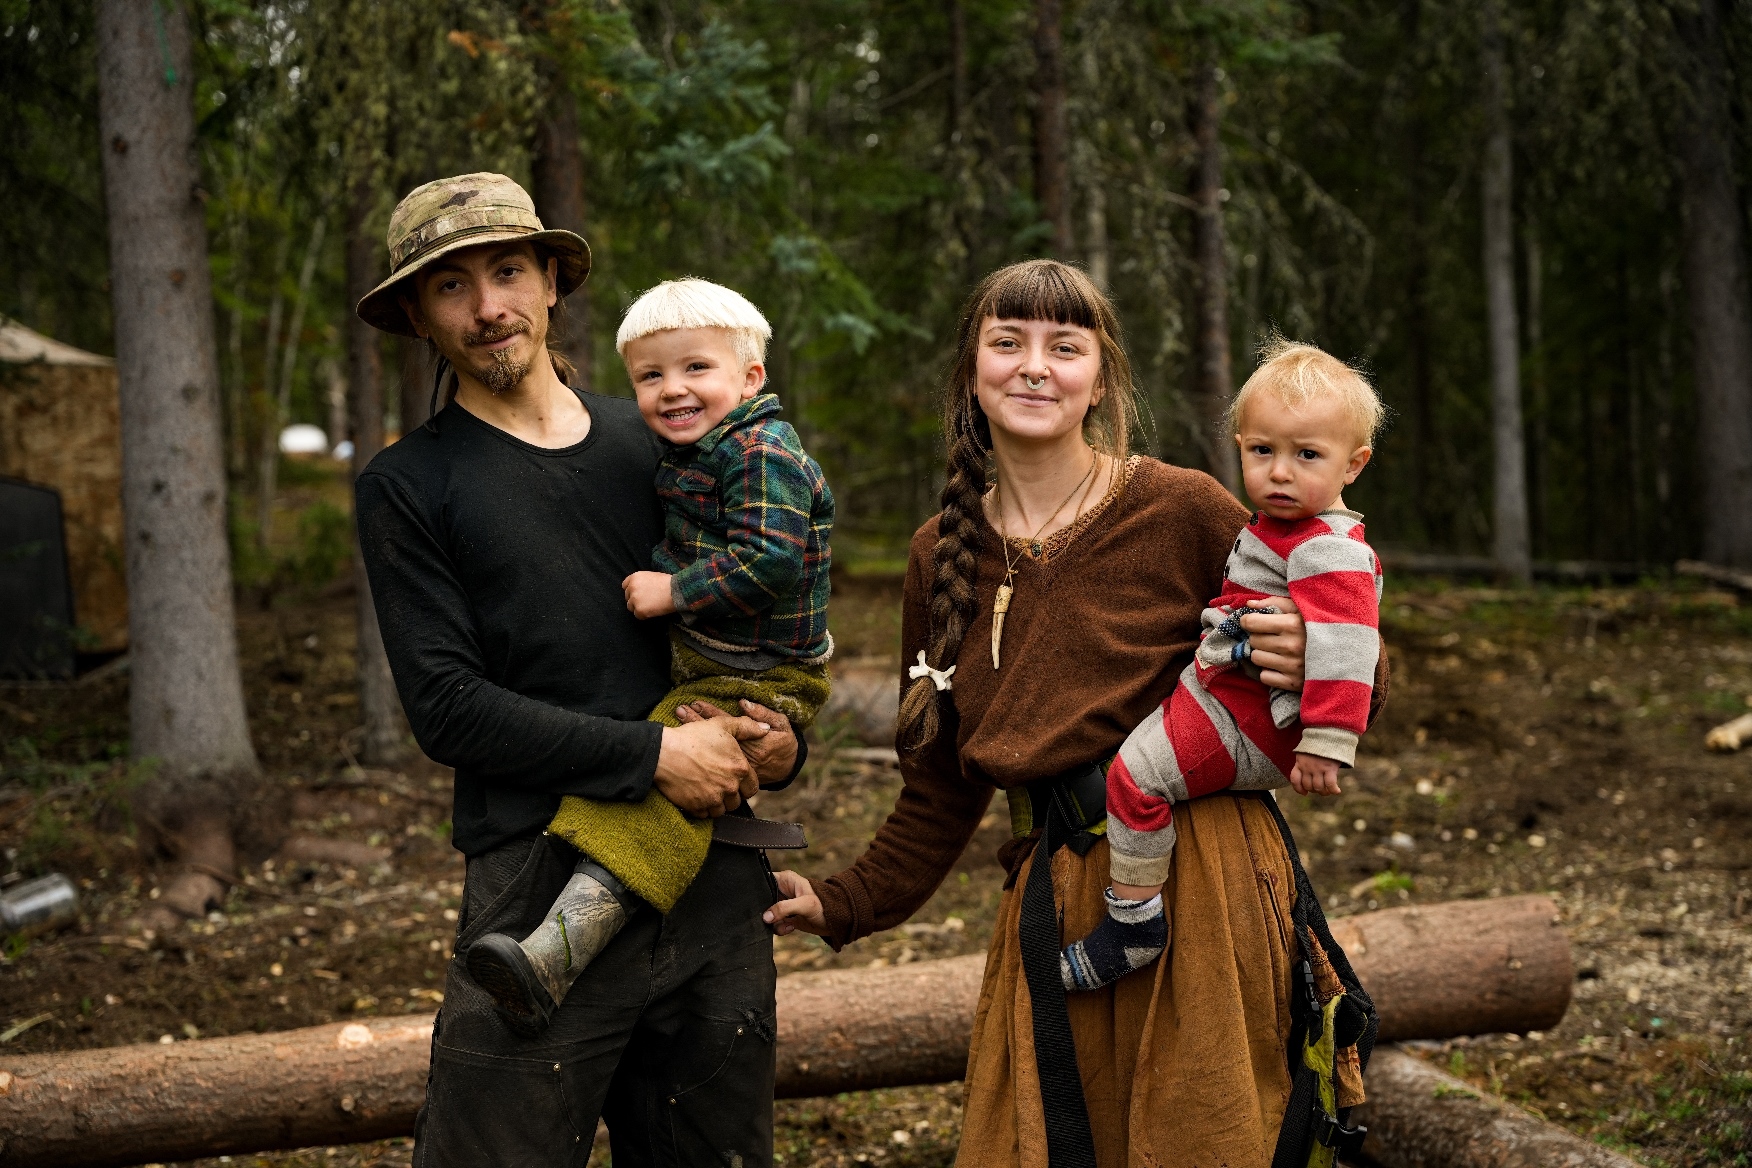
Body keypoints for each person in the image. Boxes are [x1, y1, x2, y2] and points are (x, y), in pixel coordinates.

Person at [764, 259, 1386, 1167]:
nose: (1034, 367)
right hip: (1051, 896)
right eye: (1006, 342)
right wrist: (844, 900)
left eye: (1065, 347)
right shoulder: (940, 551)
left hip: (1201, 881)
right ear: (972, 372)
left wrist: (1303, 655)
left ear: (1100, 378)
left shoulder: (1183, 509)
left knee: (1200, 1141)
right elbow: (938, 788)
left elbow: (1348, 630)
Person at [353, 172, 803, 1167]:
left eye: (508, 270)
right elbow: (448, 709)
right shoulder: (409, 485)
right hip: (534, 882)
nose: (487, 308)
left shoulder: (667, 440)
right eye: (450, 287)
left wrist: (780, 732)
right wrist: (651, 757)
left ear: (552, 279)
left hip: (715, 876)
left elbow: (761, 610)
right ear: (418, 317)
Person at [466, 277, 834, 1035]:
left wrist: (676, 591)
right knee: (664, 768)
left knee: (657, 793)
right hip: (721, 660)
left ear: (751, 376)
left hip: (755, 669)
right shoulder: (697, 448)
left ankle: (559, 949)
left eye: (697, 368)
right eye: (651, 376)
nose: (673, 390)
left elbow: (771, 557)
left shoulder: (762, 450)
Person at [1060, 339, 1384, 993]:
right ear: (1240, 444)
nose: (1280, 472)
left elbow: (1351, 648)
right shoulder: (1275, 528)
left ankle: (1134, 922)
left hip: (1252, 720)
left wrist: (1326, 742)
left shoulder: (1329, 549)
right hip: (1221, 694)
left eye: (1307, 456)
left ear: (1354, 465)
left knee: (1137, 779)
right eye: (1262, 451)